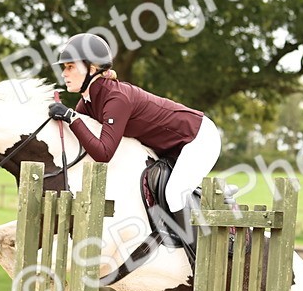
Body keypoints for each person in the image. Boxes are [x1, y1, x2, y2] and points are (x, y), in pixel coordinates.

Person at [46, 33, 222, 215]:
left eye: (70, 67)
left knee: (174, 195)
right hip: (169, 147)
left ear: (91, 69)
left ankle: (193, 243)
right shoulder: (87, 104)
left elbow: (103, 153)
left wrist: (72, 118)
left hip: (198, 138)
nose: (64, 73)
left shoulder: (116, 99)